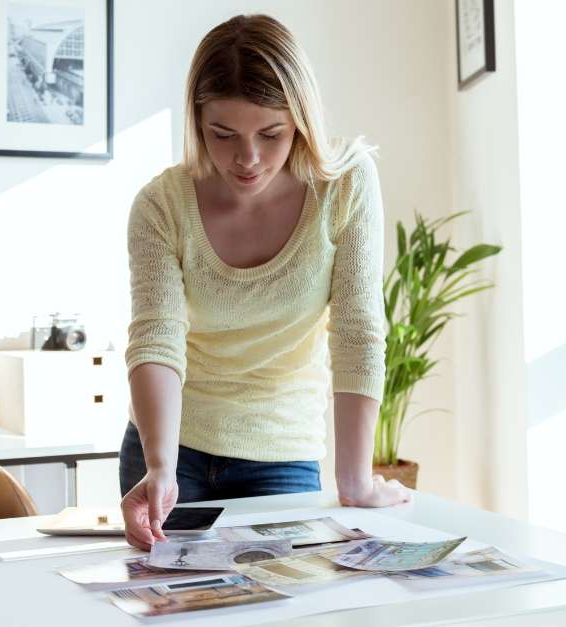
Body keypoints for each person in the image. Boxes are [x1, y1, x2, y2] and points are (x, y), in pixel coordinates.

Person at [119, 14, 411, 551]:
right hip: (168, 449)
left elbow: (357, 330)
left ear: (300, 119)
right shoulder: (160, 206)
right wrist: (160, 466)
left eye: (270, 133)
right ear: (196, 122)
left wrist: (356, 481)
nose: (247, 158)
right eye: (222, 135)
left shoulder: (344, 185)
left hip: (280, 453)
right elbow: (156, 337)